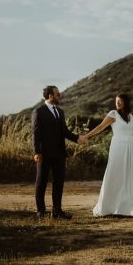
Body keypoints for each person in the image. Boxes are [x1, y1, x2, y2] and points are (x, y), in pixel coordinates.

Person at [80, 93, 133, 216]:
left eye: (121, 100)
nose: (118, 103)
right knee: (115, 173)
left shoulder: (131, 117)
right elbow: (101, 127)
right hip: (118, 147)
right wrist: (86, 136)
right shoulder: (113, 114)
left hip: (131, 148)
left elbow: (130, 132)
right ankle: (110, 207)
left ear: (126, 102)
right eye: (117, 101)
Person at [32, 85, 80, 220]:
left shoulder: (60, 111)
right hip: (44, 154)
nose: (60, 96)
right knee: (41, 182)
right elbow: (35, 134)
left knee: (59, 182)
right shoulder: (39, 111)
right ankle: (40, 212)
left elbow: (64, 131)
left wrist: (77, 138)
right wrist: (36, 151)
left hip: (59, 153)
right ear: (50, 96)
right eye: (57, 94)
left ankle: (57, 212)